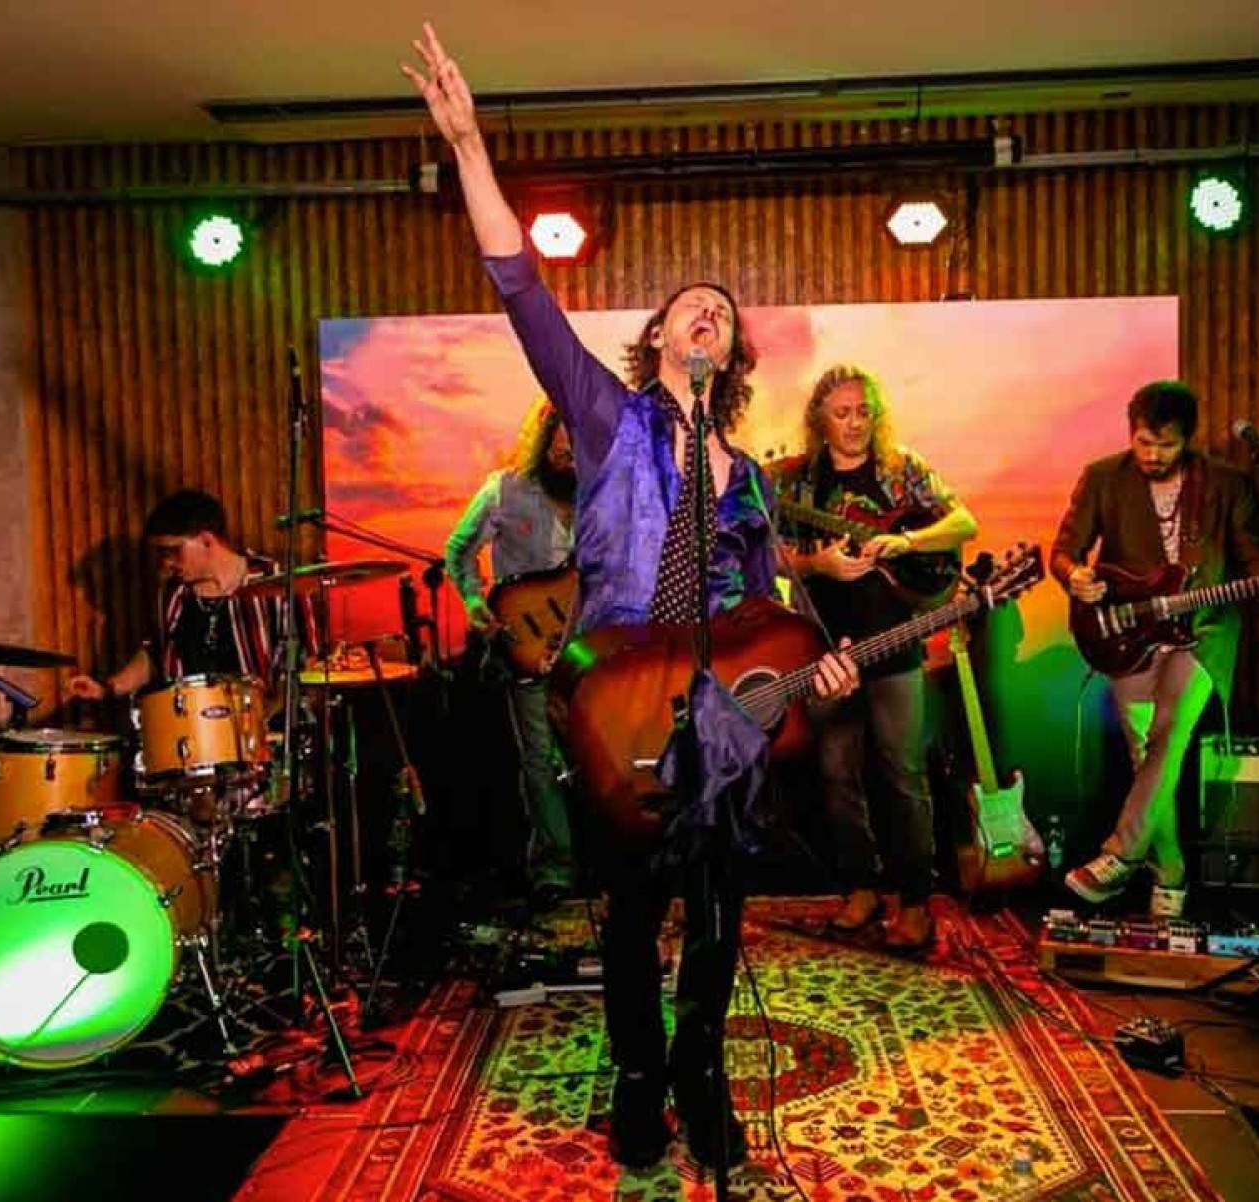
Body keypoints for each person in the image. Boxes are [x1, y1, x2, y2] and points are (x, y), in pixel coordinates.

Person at [404, 22, 858, 1174]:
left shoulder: (751, 479)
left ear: (734, 356)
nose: (708, 313)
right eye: (690, 305)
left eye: (724, 312)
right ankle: (640, 1077)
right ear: (657, 337)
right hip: (616, 700)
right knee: (631, 912)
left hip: (719, 721)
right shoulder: (609, 423)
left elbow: (765, 615)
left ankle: (703, 1075)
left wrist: (818, 668)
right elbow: (520, 288)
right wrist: (469, 147)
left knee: (719, 912)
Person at [1051, 381, 1259, 919]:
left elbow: (1253, 556)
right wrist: (1076, 578)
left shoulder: (1227, 485)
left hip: (1204, 633)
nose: (1152, 455)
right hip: (1130, 633)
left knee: (1169, 731)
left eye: (1165, 445)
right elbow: (1065, 552)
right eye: (1143, 442)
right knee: (1145, 752)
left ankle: (1120, 855)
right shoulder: (1103, 477)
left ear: (1186, 438)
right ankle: (1171, 874)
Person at [771, 365, 976, 952]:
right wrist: (819, 565)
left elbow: (964, 523)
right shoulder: (795, 482)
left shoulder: (900, 468)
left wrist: (908, 542)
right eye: (842, 413)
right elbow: (763, 554)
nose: (855, 423)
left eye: (864, 411)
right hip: (823, 649)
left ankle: (914, 902)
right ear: (820, 419)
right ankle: (860, 888)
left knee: (903, 776)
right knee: (837, 775)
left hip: (894, 642)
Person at [445, 399, 579, 906]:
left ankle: (604, 861)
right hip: (527, 647)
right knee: (539, 759)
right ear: (544, 440)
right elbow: (458, 550)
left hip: (587, 649)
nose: (570, 455)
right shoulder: (504, 489)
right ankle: (554, 870)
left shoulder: (605, 495)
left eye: (578, 447)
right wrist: (474, 601)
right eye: (562, 446)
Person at [67, 488, 308, 702]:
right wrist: (107, 688)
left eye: (173, 551)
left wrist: (277, 710)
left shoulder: (277, 581)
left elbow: (310, 662)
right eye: (162, 554)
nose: (166, 562)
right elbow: (156, 654)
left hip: (261, 726)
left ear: (206, 540)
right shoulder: (174, 592)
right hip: (191, 729)